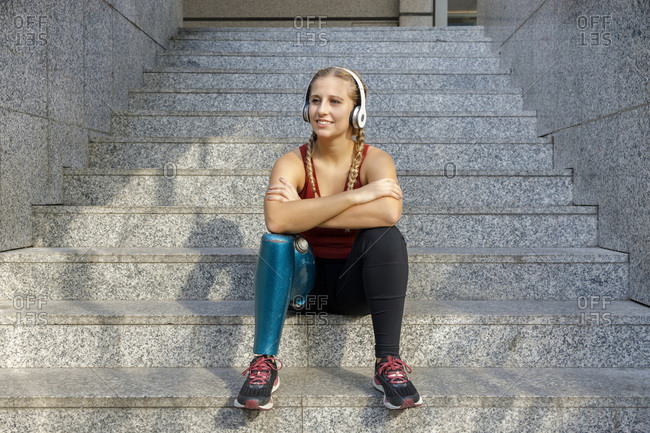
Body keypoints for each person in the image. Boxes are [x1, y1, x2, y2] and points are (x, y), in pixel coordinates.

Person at [234, 66, 422, 411]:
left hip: (355, 288)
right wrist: (356, 197)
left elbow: (388, 213)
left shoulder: (376, 160)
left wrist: (305, 210)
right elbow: (276, 219)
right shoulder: (291, 162)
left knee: (386, 237)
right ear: (305, 109)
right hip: (302, 289)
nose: (322, 110)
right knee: (275, 242)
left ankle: (388, 363)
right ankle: (264, 362)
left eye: (335, 101)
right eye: (315, 100)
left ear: (356, 112)